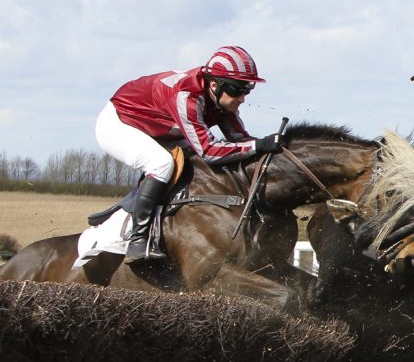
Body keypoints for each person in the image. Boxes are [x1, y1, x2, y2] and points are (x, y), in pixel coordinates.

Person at [96, 45, 283, 262]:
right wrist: (258, 146)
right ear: (215, 84)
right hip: (118, 123)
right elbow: (210, 151)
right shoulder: (188, 98)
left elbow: (239, 139)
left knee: (191, 161)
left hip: (156, 125)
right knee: (161, 164)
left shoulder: (219, 96)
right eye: (238, 90)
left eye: (247, 91)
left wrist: (271, 145)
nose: (242, 98)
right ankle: (138, 240)